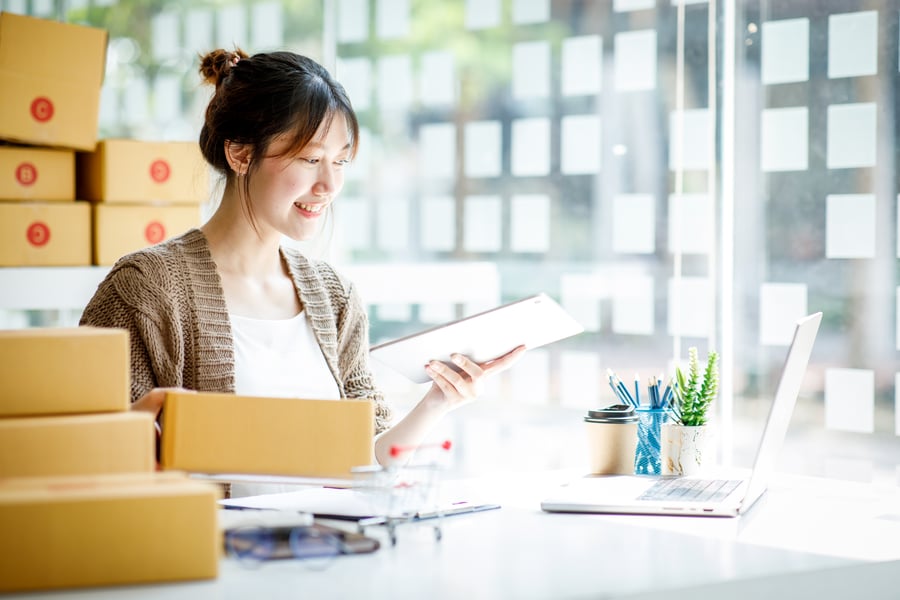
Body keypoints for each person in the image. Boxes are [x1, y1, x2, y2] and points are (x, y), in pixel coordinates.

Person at [79, 48, 524, 496]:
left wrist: (439, 400)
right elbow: (85, 454)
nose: (329, 185)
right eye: (310, 160)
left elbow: (366, 464)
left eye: (341, 161)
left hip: (322, 555)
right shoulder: (145, 288)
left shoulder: (335, 297)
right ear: (239, 153)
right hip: (209, 558)